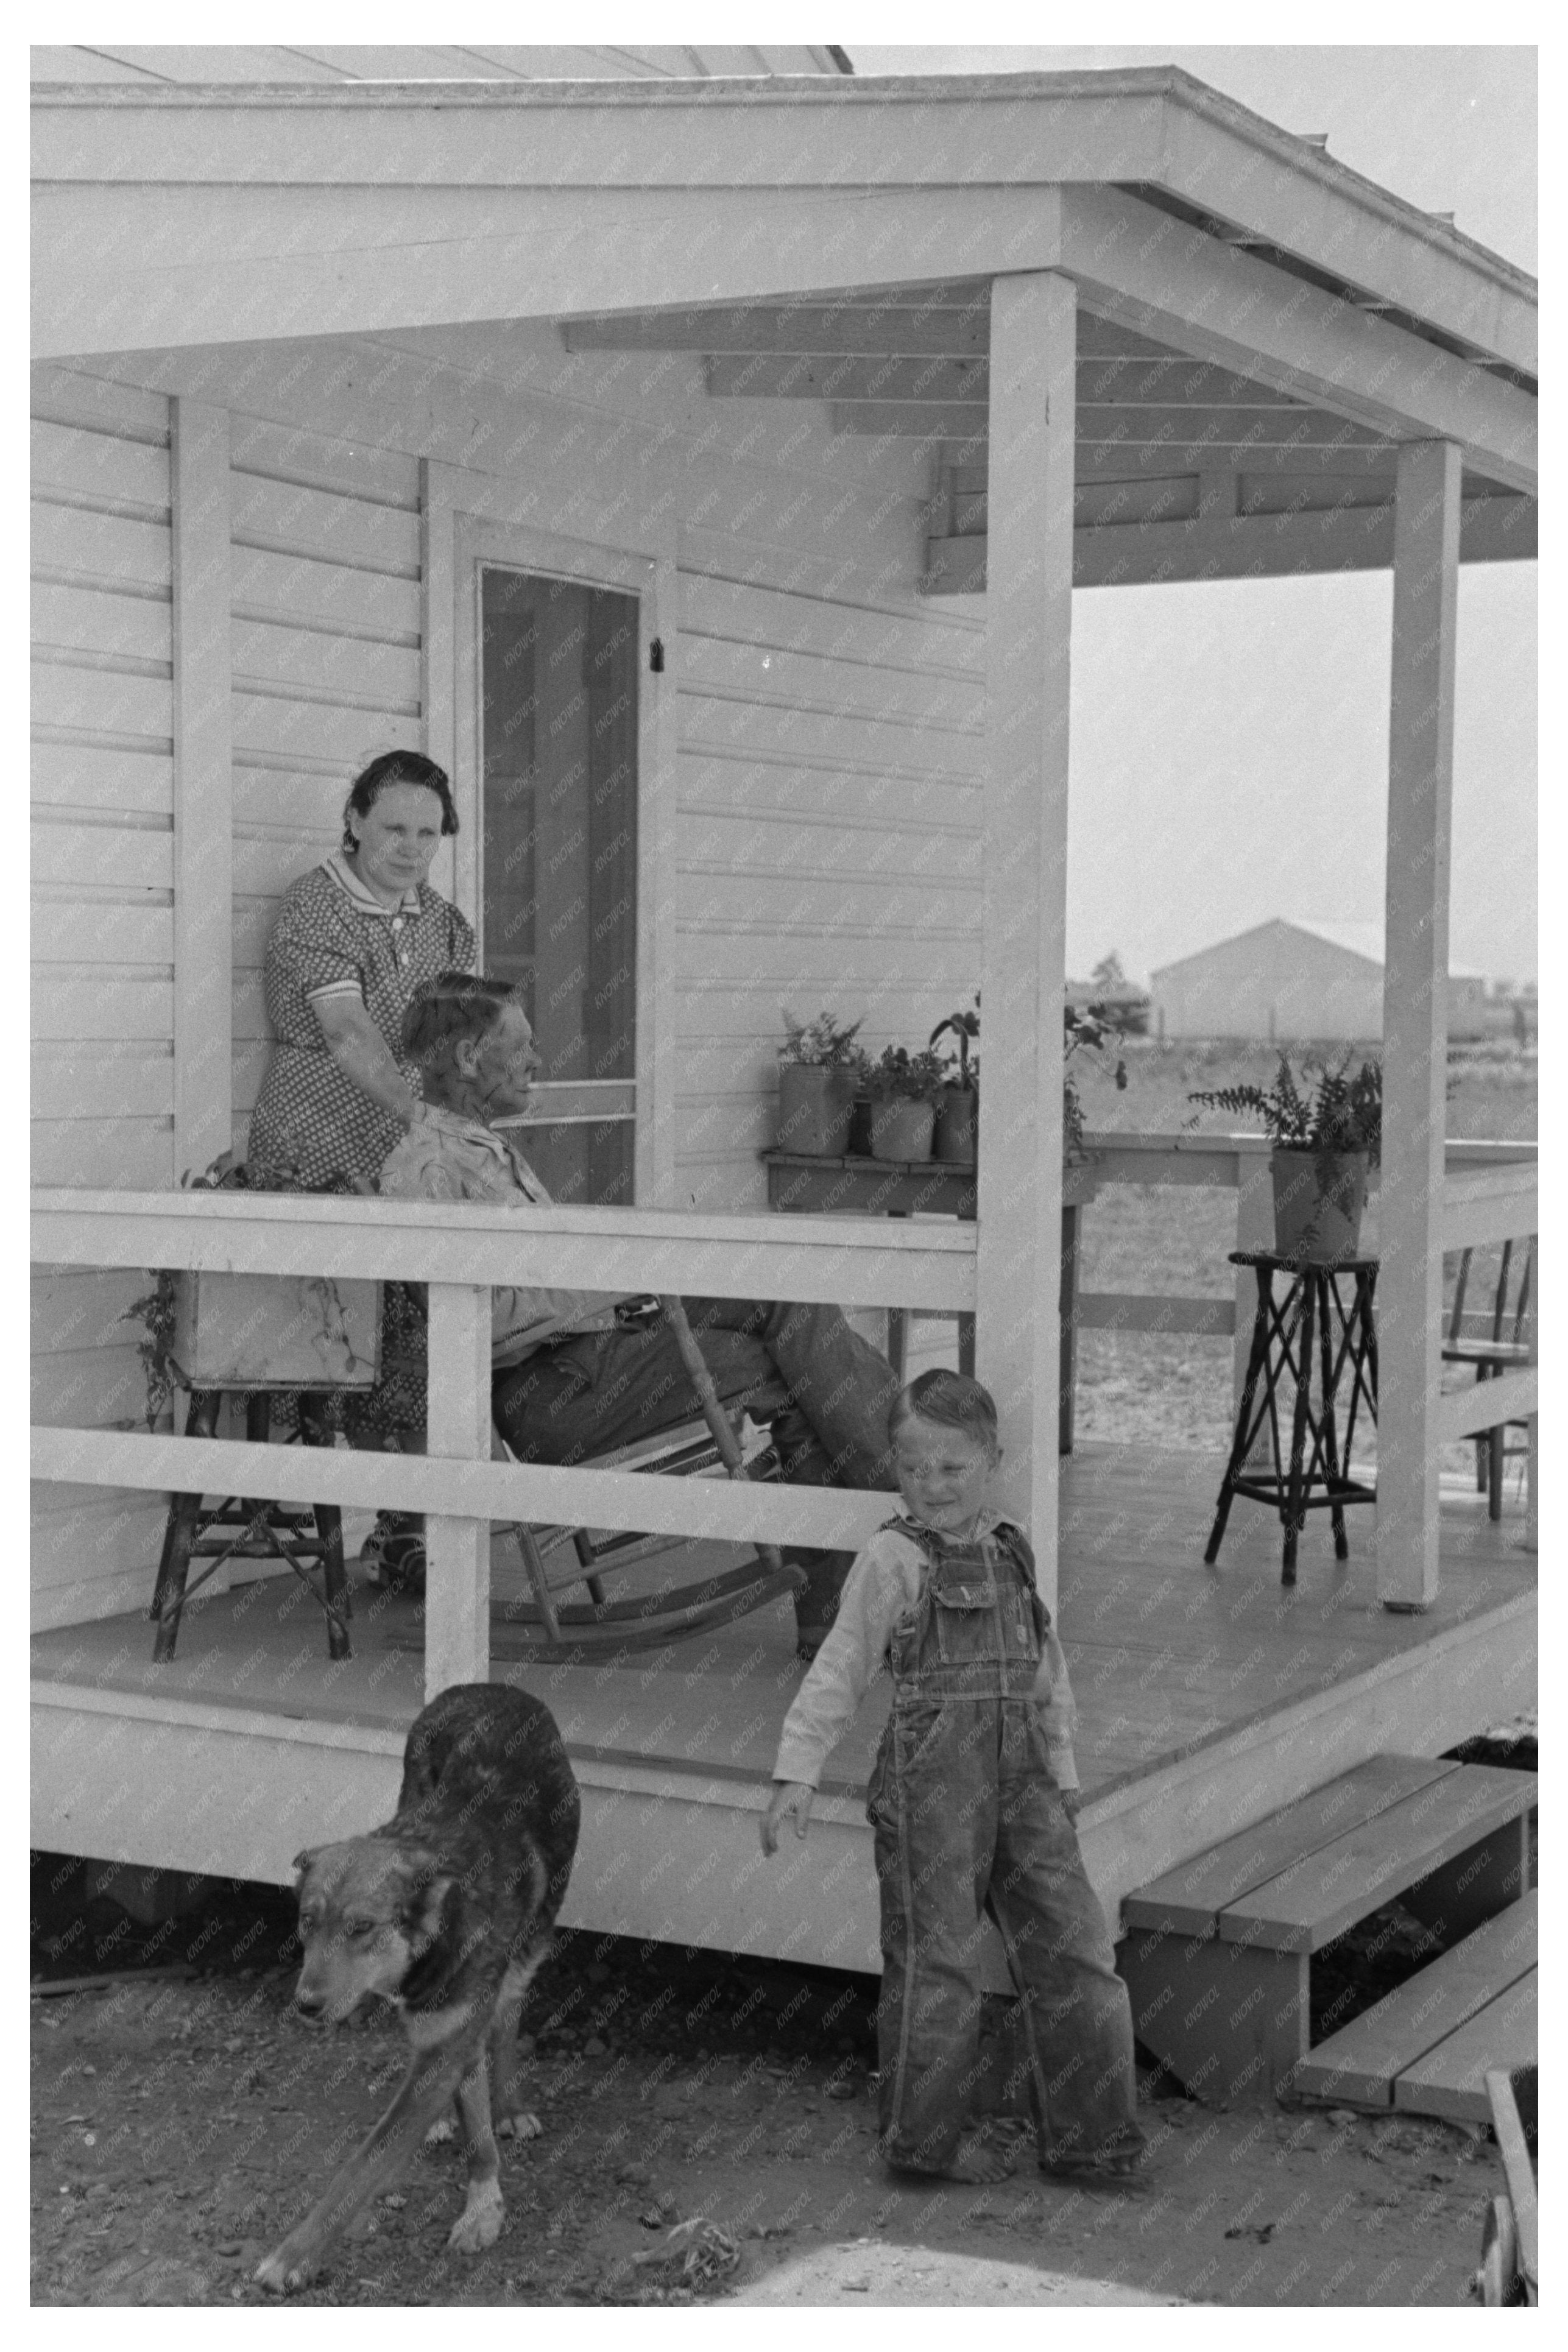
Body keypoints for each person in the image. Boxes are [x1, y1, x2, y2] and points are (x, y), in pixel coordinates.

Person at [376, 972, 903, 1655]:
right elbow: (470, 1317)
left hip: (597, 1352)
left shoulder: (478, 1145)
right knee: (789, 1361)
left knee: (785, 1301)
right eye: (522, 1046)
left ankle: (857, 1573)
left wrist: (619, 1276)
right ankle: (914, 1504)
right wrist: (611, 1275)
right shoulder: (423, 1170)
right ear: (472, 1058)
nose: (538, 1061)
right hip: (553, 1392)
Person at [761, 1368, 1148, 2187]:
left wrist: (1064, 1767)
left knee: (1076, 1950)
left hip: (1027, 1783)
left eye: (951, 1468)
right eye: (911, 1468)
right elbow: (842, 1665)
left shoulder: (1011, 1550)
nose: (929, 1486)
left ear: (989, 1461)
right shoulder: (892, 1559)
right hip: (930, 1791)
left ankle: (1093, 2139)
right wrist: (798, 1766)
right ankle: (922, 2144)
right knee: (937, 1964)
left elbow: (1048, 1671)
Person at [244, 751, 475, 1455]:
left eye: (428, 834)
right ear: (354, 821)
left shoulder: (444, 924)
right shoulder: (318, 904)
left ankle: (403, 1533)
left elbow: (457, 1042)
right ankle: (343, 1511)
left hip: (406, 1160)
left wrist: (466, 1127)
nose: (411, 848)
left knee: (417, 1351)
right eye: (394, 828)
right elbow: (346, 1030)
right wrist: (423, 1119)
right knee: (333, 1349)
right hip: (315, 1150)